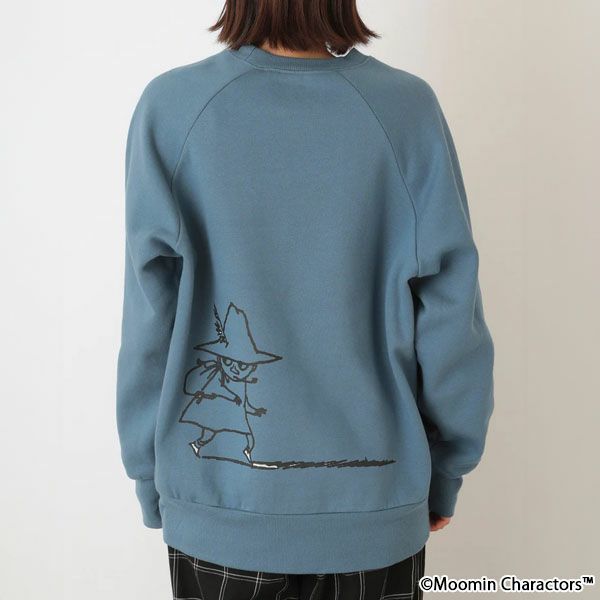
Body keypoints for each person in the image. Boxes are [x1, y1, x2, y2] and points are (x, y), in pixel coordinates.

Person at [116, 0, 495, 598]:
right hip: (374, 512)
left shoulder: (174, 107)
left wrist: (152, 476)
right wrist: (446, 468)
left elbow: (149, 319)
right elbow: (451, 314)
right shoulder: (405, 110)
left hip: (221, 512)